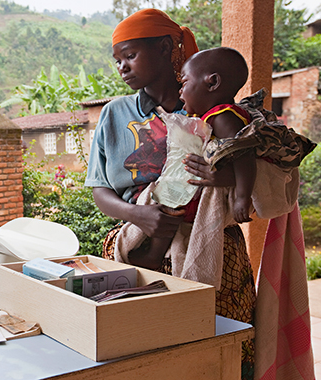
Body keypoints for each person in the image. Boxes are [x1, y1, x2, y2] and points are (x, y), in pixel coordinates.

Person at [84, 9, 255, 378]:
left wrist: (222, 179)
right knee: (140, 358)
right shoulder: (115, 114)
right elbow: (99, 189)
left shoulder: (216, 107)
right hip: (136, 251)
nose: (122, 68)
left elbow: (259, 170)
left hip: (212, 251)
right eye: (117, 61)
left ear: (165, 48)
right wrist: (137, 215)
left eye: (130, 55)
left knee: (218, 356)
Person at [180, 47, 254, 223]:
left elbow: (244, 156)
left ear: (212, 83)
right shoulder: (209, 117)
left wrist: (242, 197)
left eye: (184, 83)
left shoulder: (223, 117)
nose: (180, 92)